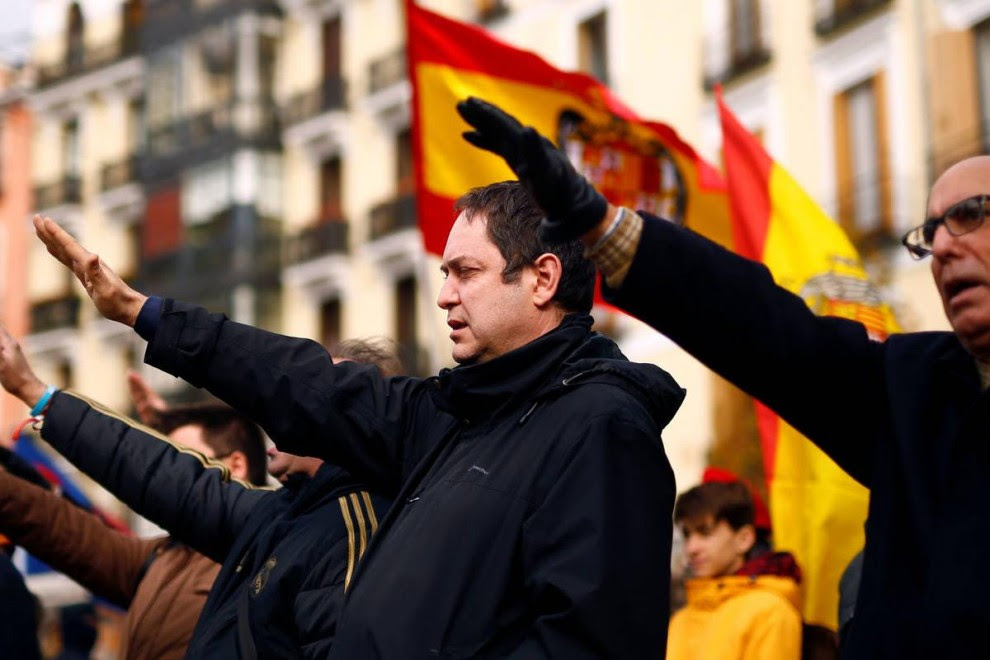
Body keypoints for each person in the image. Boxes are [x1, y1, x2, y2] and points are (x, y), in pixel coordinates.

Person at [33, 179, 684, 657]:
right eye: (443, 272)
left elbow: (588, 645)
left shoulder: (601, 424)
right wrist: (144, 315)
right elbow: (305, 381)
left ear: (541, 279)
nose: (443, 295)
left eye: (466, 272)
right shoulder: (452, 411)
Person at [455, 97, 990, 657]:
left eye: (969, 215)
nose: (945, 248)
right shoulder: (912, 385)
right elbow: (764, 329)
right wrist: (599, 224)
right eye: (931, 234)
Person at [0, 329, 392, 659]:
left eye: (303, 400)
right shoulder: (184, 551)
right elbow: (69, 525)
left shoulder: (349, 536)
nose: (277, 417)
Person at [0, 394, 265, 660]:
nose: (162, 478)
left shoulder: (264, 563)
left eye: (185, 466)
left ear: (236, 466)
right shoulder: (164, 556)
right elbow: (61, 526)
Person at [668, 480, 802, 659]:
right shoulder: (680, 620)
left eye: (705, 532)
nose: (691, 547)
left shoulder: (770, 612)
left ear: (744, 539)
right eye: (687, 535)